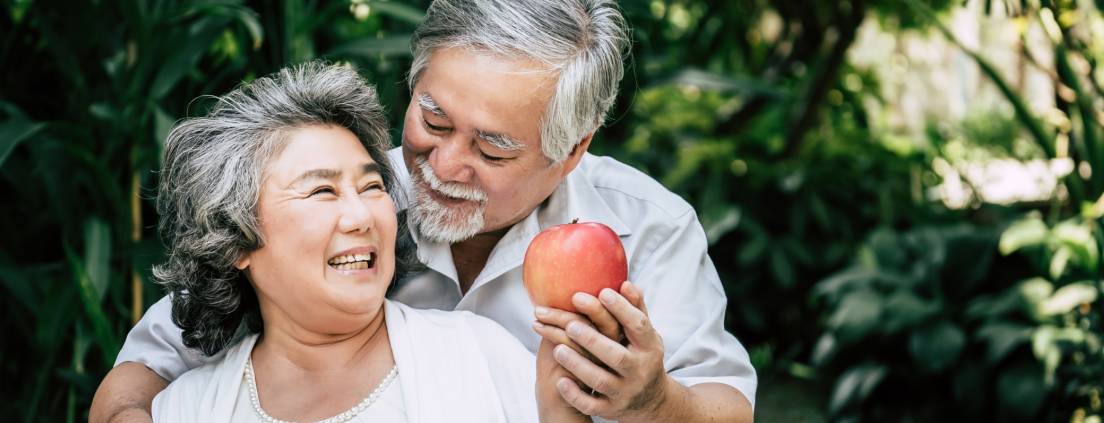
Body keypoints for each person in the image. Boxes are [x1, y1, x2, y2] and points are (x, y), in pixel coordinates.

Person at [92, 1, 757, 422]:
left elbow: (724, 403)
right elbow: (153, 361)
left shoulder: (648, 226)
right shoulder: (354, 198)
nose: (441, 166)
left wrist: (656, 403)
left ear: (572, 150)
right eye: (433, 118)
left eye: (492, 149)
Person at [144, 62, 589, 423]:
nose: (363, 217)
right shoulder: (183, 409)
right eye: (321, 191)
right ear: (236, 240)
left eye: (373, 187)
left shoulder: (484, 359)